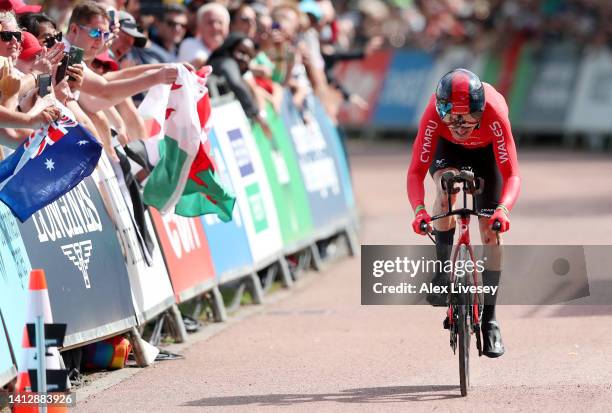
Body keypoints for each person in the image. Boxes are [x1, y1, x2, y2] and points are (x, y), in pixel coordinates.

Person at [407, 68, 521, 358]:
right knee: (445, 190)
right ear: (441, 108)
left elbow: (512, 175)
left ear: (481, 108)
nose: (460, 124)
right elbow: (416, 171)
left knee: (490, 233)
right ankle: (443, 272)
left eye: (469, 116)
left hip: (486, 156)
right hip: (449, 153)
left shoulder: (494, 110)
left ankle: (491, 321)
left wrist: (503, 211)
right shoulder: (433, 113)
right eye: (452, 116)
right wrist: (419, 210)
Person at [178, 2, 229, 69]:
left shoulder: (231, 50)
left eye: (220, 22)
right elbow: (198, 64)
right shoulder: (189, 44)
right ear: (199, 27)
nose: (215, 27)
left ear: (228, 28)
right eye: (210, 22)